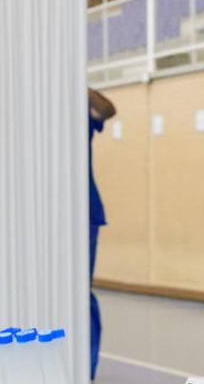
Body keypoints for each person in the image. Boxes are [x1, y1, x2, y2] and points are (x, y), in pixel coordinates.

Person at [88, 87, 115, 380]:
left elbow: (107, 110)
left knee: (80, 294)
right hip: (42, 214)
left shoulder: (81, 104)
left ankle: (85, 370)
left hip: (84, 212)